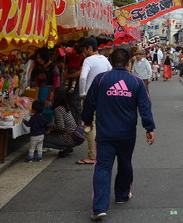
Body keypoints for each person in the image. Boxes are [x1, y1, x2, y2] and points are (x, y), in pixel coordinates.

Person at [81, 48, 156, 221]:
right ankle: (122, 195)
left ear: (111, 61)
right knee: (125, 163)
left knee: (102, 167)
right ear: (129, 63)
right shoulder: (136, 82)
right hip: (127, 134)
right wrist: (149, 128)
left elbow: (89, 103)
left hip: (105, 133)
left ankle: (99, 208)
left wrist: (86, 121)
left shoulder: (101, 80)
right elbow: (145, 107)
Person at [77, 37, 112, 165]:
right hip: (105, 97)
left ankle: (92, 156)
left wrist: (82, 93)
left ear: (90, 48)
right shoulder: (105, 59)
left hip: (90, 98)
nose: (83, 53)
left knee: (89, 125)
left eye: (84, 50)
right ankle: (103, 152)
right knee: (102, 124)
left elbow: (82, 78)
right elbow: (111, 75)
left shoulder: (88, 60)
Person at [44, 87, 79, 157]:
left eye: (53, 92)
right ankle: (67, 146)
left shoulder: (58, 109)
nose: (51, 93)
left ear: (57, 95)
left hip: (68, 137)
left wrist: (50, 125)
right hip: (73, 135)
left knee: (42, 140)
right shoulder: (64, 106)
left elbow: (61, 127)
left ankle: (65, 147)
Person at [30, 47, 61, 122]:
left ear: (45, 57)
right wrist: (36, 97)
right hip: (41, 92)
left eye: (40, 58)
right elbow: (37, 83)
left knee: (49, 111)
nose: (38, 60)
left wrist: (49, 98)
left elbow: (56, 84)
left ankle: (49, 129)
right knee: (40, 111)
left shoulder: (53, 68)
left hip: (51, 92)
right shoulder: (39, 67)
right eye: (37, 58)